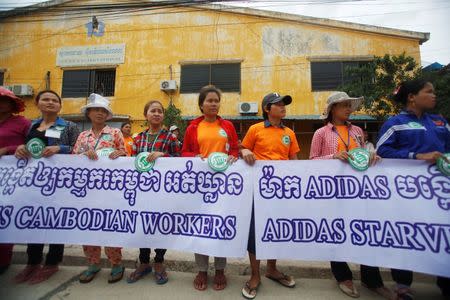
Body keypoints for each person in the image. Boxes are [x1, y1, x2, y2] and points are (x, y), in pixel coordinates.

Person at [309, 91, 390, 299]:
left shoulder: (357, 132)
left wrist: (372, 157)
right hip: (333, 191)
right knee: (337, 232)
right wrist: (333, 156)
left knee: (365, 232)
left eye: (349, 105)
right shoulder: (321, 133)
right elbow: (311, 161)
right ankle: (343, 276)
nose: (348, 109)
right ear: (332, 110)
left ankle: (371, 279)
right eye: (343, 105)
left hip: (359, 191)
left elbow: (362, 156)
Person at [377, 79, 450, 300]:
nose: (434, 95)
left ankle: (445, 282)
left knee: (442, 235)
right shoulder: (395, 123)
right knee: (405, 235)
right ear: (412, 97)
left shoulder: (440, 122)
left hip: (439, 195)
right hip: (405, 196)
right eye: (429, 92)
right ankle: (402, 286)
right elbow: (382, 152)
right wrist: (415, 157)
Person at [14, 90, 80, 284]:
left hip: (60, 183)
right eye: (46, 99)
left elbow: (79, 149)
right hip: (34, 183)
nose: (50, 103)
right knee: (34, 220)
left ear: (60, 106)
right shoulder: (31, 125)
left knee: (55, 220)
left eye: (54, 100)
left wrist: (61, 148)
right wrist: (20, 148)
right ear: (38, 103)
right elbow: (26, 147)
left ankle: (52, 262)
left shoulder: (69, 126)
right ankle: (32, 262)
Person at [240, 92, 299, 299]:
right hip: (258, 191)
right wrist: (245, 151)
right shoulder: (255, 129)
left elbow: (294, 160)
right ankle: (255, 276)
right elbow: (244, 147)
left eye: (284, 104)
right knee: (255, 232)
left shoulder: (289, 133)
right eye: (278, 104)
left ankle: (272, 269)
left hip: (281, 191)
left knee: (276, 229)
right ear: (267, 109)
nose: (283, 107)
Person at [181, 85, 239, 291]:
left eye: (216, 101)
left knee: (219, 225)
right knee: (201, 226)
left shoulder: (228, 126)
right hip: (200, 186)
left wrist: (234, 156)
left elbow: (234, 148)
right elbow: (185, 152)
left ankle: (221, 270)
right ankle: (202, 270)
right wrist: (194, 158)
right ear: (201, 105)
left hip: (224, 185)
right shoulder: (192, 128)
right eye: (209, 101)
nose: (214, 104)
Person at [72, 93, 127, 284]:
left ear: (107, 115)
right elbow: (71, 161)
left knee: (110, 226)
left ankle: (116, 264)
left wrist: (118, 153)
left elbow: (125, 156)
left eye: (103, 111)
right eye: (96, 110)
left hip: (110, 190)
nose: (99, 113)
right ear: (88, 113)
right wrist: (83, 155)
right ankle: (93, 264)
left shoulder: (115, 133)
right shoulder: (82, 136)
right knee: (88, 226)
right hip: (86, 191)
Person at [126, 100, 181, 285]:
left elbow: (179, 161)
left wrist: (163, 156)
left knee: (161, 226)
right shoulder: (138, 138)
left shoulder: (170, 138)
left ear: (163, 116)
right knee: (142, 225)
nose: (156, 114)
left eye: (159, 111)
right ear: (146, 115)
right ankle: (143, 263)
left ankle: (159, 263)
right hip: (142, 191)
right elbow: (131, 162)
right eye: (153, 111)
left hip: (164, 192)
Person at [0, 87, 31, 275]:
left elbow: (33, 146)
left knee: (5, 216)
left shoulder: (23, 123)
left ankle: (3, 260)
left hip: (13, 178)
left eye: (5, 100)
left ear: (12, 103)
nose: (2, 103)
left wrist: (10, 149)